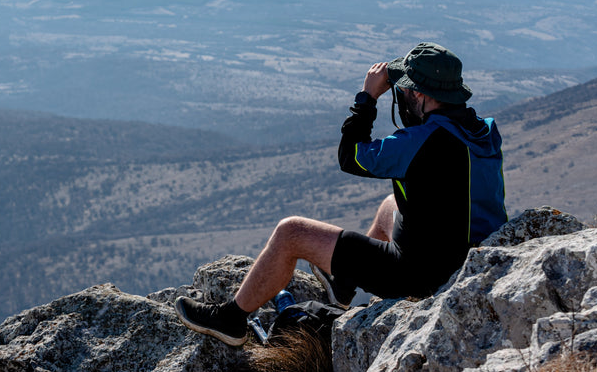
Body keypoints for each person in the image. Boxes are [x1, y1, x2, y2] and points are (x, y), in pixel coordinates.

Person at [175, 42, 507, 346]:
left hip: (419, 275)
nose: (403, 97)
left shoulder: (422, 142)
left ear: (419, 96)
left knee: (291, 232)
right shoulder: (483, 129)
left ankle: (230, 320)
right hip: (466, 256)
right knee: (391, 204)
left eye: (405, 91)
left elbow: (351, 156)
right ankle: (342, 283)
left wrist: (367, 98)